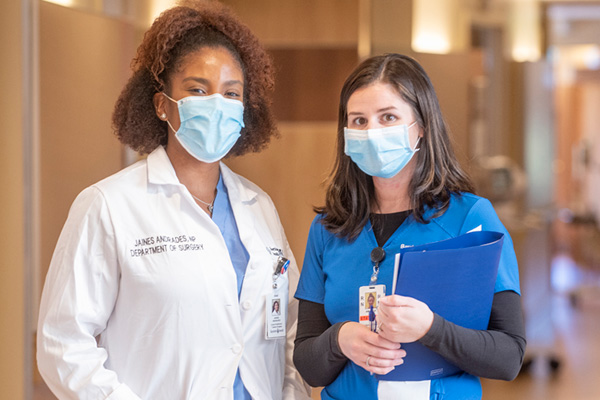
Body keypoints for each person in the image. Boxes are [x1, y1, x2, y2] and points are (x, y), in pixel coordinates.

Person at [36, 2, 310, 399]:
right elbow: (63, 344)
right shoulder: (108, 206)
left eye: (231, 93)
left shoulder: (259, 206)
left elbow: (288, 329)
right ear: (163, 104)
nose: (217, 105)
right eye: (198, 90)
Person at [293, 53, 526, 400]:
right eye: (359, 120)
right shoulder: (328, 229)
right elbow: (308, 365)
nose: (372, 132)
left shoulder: (471, 219)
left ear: (422, 126)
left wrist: (431, 329)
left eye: (388, 117)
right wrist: (339, 339)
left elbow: (508, 358)